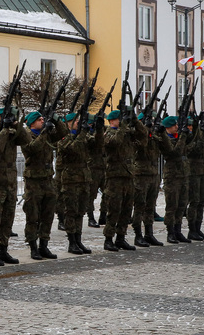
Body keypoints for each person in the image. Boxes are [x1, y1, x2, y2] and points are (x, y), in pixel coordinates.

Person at [0, 108, 28, 266]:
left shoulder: (9, 133)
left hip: (10, 182)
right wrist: (4, 130)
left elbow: (26, 139)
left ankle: (3, 248)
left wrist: (16, 123)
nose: (3, 120)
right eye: (1, 118)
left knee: (8, 218)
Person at [56, 111, 103, 254]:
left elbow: (98, 146)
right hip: (70, 180)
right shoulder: (63, 138)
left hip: (84, 178)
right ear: (69, 123)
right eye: (76, 122)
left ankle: (78, 240)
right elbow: (72, 149)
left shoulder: (83, 137)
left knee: (80, 211)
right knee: (71, 211)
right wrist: (82, 133)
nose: (79, 124)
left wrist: (99, 130)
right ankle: (71, 242)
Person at [102, 109, 145, 251]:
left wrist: (135, 121)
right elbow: (114, 142)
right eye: (119, 119)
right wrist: (122, 127)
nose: (122, 121)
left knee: (127, 210)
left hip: (128, 177)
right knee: (114, 210)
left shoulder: (126, 133)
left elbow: (143, 137)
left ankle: (121, 237)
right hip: (115, 178)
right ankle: (108, 239)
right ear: (112, 121)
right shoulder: (109, 133)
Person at [21, 111, 59, 260]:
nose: (43, 121)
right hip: (33, 182)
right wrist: (44, 132)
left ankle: (44, 246)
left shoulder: (47, 133)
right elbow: (32, 149)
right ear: (32, 123)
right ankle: (33, 247)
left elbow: (62, 133)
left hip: (48, 180)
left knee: (47, 215)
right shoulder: (26, 136)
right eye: (40, 119)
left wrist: (55, 120)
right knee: (33, 216)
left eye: (43, 118)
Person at [130, 113, 163, 247]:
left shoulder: (152, 137)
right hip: (141, 175)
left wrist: (161, 132)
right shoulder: (136, 137)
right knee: (139, 206)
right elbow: (142, 145)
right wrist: (142, 128)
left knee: (150, 207)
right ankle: (138, 235)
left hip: (153, 175)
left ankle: (149, 234)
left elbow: (163, 147)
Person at [156, 115, 190, 244]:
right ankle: (170, 232)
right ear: (168, 127)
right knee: (172, 205)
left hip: (183, 175)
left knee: (181, 205)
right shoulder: (165, 139)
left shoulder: (178, 137)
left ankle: (178, 231)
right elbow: (175, 152)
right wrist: (183, 136)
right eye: (174, 125)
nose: (177, 127)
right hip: (172, 177)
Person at [185, 117, 204, 241]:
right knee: (194, 201)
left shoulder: (201, 134)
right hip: (193, 172)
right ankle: (192, 229)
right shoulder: (187, 136)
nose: (191, 128)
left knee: (202, 201)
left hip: (203, 172)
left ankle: (198, 228)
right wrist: (197, 134)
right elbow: (192, 149)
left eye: (193, 126)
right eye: (190, 125)